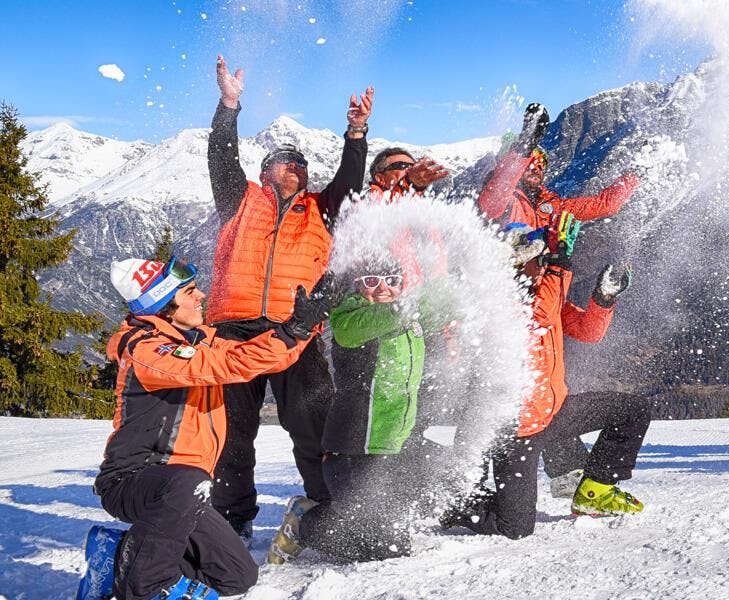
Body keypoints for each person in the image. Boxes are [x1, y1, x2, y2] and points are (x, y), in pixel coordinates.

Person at [76, 257, 334, 600]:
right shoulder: (148, 350)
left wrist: (302, 327)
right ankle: (148, 588)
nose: (201, 295)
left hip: (185, 490)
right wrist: (292, 331)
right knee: (188, 481)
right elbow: (225, 365)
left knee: (238, 576)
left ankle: (115, 554)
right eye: (189, 291)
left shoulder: (199, 339)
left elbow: (257, 356)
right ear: (165, 305)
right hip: (135, 480)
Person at [205, 55, 373, 537]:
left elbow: (350, 182)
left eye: (300, 163)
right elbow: (220, 154)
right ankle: (231, 521)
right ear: (265, 172)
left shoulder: (321, 209)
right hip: (232, 330)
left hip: (297, 328)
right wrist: (229, 106)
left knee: (311, 427)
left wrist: (356, 136)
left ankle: (326, 511)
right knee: (234, 434)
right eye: (285, 162)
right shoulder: (238, 200)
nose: (295, 168)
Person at [447, 215, 649, 539]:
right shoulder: (492, 302)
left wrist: (603, 298)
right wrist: (559, 266)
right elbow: (536, 318)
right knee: (514, 527)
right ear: (511, 264)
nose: (541, 266)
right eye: (536, 260)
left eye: (543, 260)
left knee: (634, 410)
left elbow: (588, 331)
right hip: (516, 431)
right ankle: (449, 502)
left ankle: (593, 493)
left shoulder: (545, 295)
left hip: (553, 413)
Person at [266, 257, 456, 564]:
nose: (383, 289)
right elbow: (351, 331)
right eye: (372, 281)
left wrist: (497, 262)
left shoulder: (412, 315)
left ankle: (340, 516)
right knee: (384, 549)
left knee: (395, 530)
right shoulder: (350, 315)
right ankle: (305, 524)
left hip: (394, 450)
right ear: (358, 284)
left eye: (392, 281)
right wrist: (409, 306)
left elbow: (454, 303)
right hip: (354, 453)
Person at [477, 103, 641, 232]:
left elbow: (604, 206)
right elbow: (497, 194)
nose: (537, 167)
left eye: (543, 162)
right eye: (532, 160)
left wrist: (635, 176)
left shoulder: (551, 206)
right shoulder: (500, 196)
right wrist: (524, 145)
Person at [366, 147, 450, 201]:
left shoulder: (425, 211)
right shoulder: (368, 202)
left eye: (412, 166)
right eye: (402, 165)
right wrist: (409, 182)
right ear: (380, 179)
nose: (410, 171)